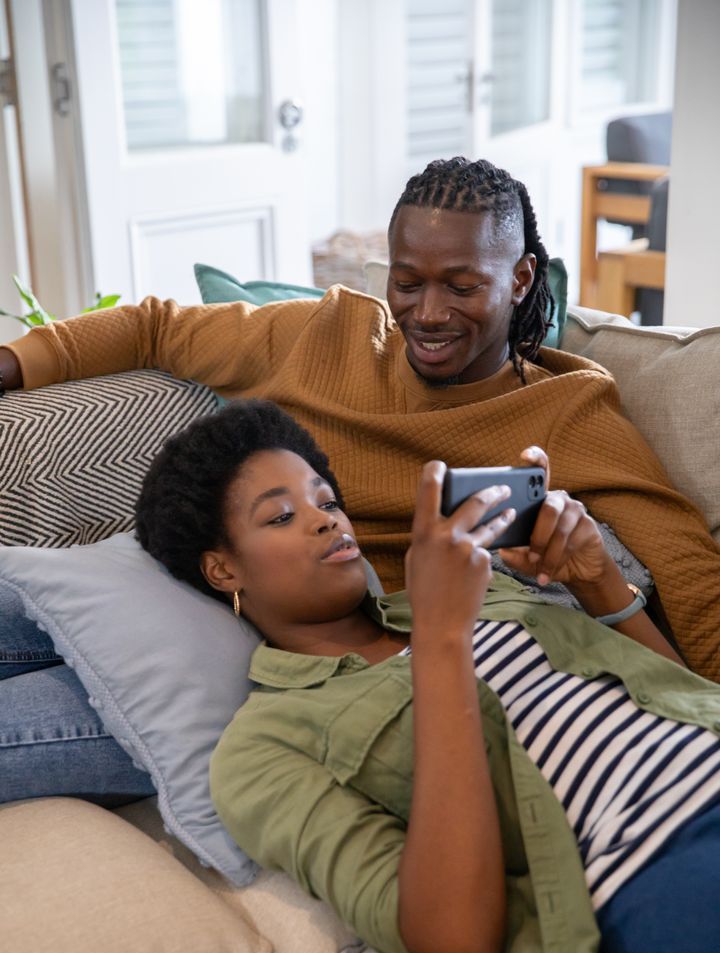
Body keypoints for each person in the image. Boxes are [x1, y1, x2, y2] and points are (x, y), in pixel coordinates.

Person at [134, 399, 720, 953]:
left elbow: (678, 703)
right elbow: (453, 935)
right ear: (223, 570)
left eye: (327, 499)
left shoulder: (486, 591)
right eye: (282, 515)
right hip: (658, 855)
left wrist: (597, 582)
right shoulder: (262, 750)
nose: (328, 518)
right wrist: (442, 640)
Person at [1, 156, 718, 683]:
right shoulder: (331, 331)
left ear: (521, 279)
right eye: (408, 283)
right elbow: (153, 327)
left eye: (462, 286)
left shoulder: (565, 409)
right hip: (205, 587)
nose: (428, 314)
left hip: (312, 650)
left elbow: (690, 577)